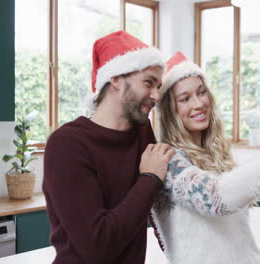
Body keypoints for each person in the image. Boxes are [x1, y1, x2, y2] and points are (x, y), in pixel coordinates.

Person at [151, 51, 260, 264]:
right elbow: (218, 199)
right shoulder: (168, 161)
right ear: (169, 111)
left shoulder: (215, 155)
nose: (198, 104)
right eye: (185, 99)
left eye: (202, 92)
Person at [42, 31, 175, 264]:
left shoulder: (141, 131)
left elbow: (158, 215)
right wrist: (150, 177)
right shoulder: (66, 145)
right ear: (115, 78)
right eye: (148, 83)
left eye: (158, 86)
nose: (156, 95)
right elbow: (98, 246)